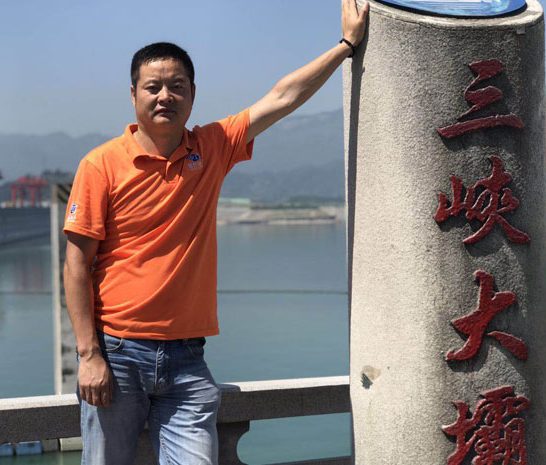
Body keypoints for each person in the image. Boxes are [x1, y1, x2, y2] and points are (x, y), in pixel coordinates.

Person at [63, 1, 369, 463]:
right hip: (118, 353)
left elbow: (282, 98)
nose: (165, 96)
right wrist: (89, 355)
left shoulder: (211, 146)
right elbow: (75, 264)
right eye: (153, 87)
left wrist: (345, 45)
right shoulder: (100, 164)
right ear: (133, 94)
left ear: (192, 94)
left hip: (187, 358)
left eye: (177, 86)